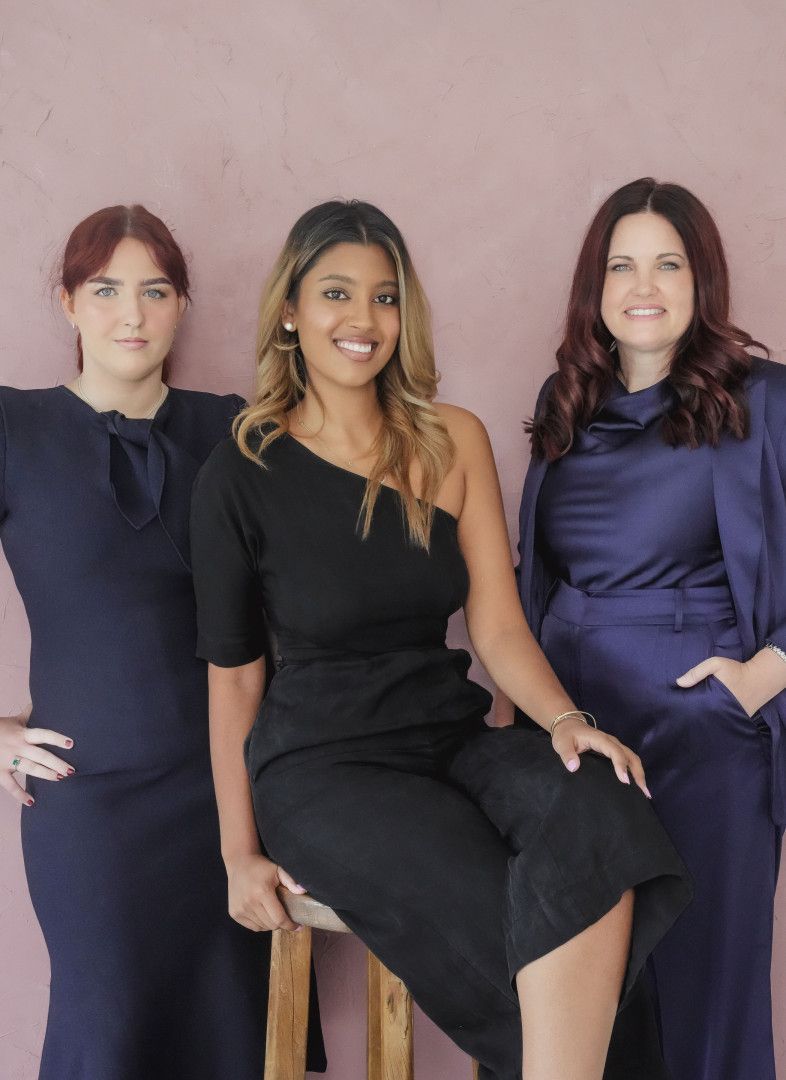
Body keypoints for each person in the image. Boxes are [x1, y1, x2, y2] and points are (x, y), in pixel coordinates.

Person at [189, 199, 691, 1080]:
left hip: (451, 737)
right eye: (337, 293)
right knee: (507, 910)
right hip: (322, 766)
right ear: (291, 311)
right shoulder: (241, 470)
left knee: (601, 803)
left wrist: (566, 719)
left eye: (385, 298)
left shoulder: (452, 438)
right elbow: (235, 680)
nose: (364, 320)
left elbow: (496, 623)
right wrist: (238, 853)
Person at [0, 205, 325, 1079]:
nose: (131, 314)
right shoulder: (12, 428)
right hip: (89, 803)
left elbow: (312, 595)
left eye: (155, 290)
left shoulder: (236, 428)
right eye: (105, 289)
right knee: (108, 1037)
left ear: (183, 305)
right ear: (67, 303)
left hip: (231, 792)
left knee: (233, 1038)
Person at [512, 177, 786, 1080]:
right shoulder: (567, 401)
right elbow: (529, 580)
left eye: (668, 263)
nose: (644, 284)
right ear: (596, 285)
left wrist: (761, 678)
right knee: (590, 996)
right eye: (622, 264)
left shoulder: (763, 401)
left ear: (701, 280)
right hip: (578, 737)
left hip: (699, 729)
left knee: (704, 986)